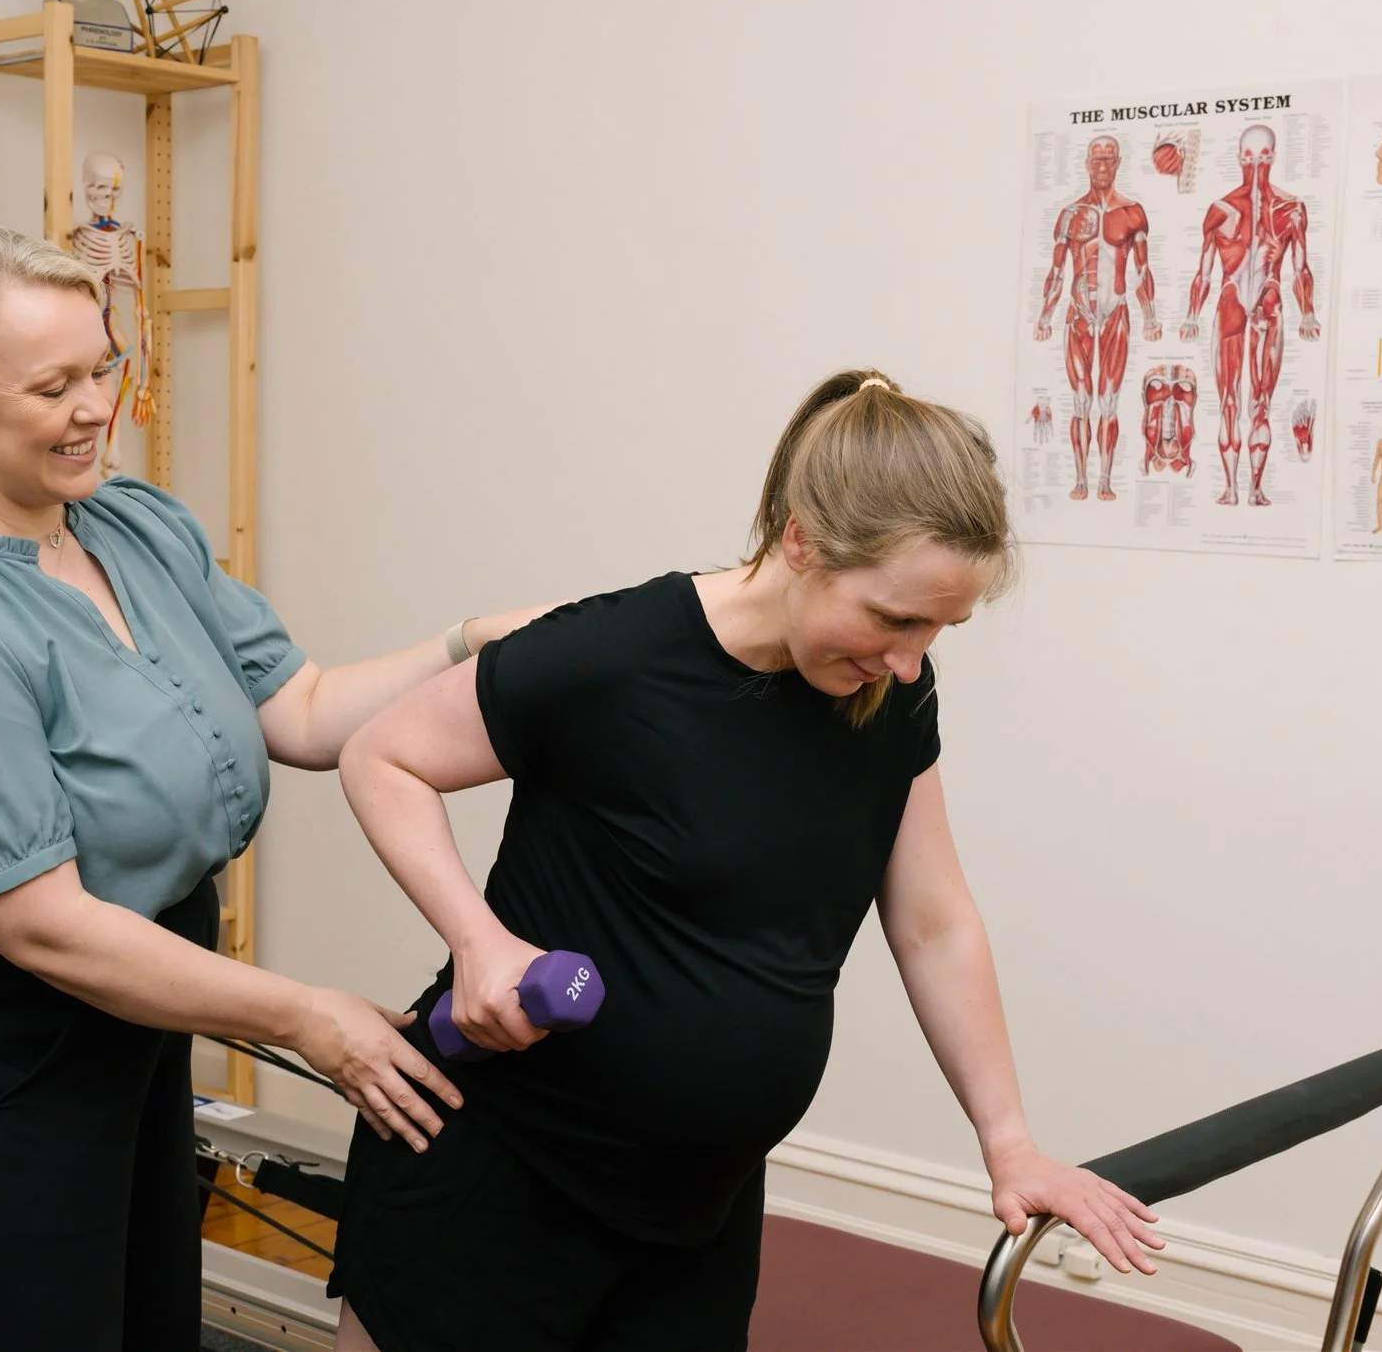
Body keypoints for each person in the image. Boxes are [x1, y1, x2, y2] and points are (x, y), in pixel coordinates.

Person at [332, 370, 1163, 1351]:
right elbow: (380, 754)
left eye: (939, 629)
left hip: (694, 1215)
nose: (910, 658)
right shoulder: (615, 655)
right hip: (494, 1183)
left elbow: (932, 920)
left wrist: (1008, 1140)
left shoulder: (890, 697)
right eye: (893, 618)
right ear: (801, 541)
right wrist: (476, 941)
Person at [0, 222, 542, 1351]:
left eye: (102, 368)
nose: (94, 406)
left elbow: (299, 707)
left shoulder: (132, 524)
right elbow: (47, 927)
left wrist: (475, 646)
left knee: (142, 1312)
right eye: (52, 384)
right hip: (2, 1031)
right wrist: (308, 1017)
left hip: (144, 994)